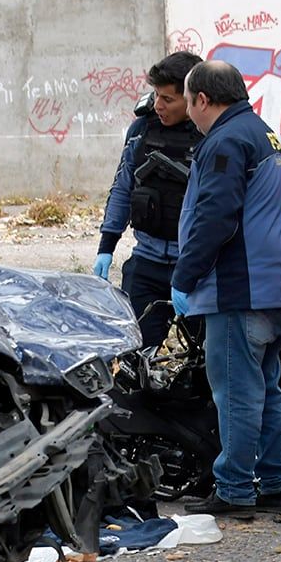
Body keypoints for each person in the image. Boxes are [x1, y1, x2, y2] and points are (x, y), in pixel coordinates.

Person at [170, 61, 281, 517]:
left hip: (240, 288)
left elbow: (216, 218)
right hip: (274, 286)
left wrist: (183, 277)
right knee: (266, 389)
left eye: (189, 103)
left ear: (203, 100)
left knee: (236, 392)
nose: (188, 113)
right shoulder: (262, 133)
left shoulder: (225, 141)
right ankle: (275, 483)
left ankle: (233, 489)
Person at [93, 51, 203, 347]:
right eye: (156, 95)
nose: (158, 105)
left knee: (207, 361)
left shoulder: (211, 134)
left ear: (192, 98)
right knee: (136, 352)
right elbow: (122, 187)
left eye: (168, 99)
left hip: (196, 266)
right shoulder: (142, 129)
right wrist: (107, 245)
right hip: (147, 260)